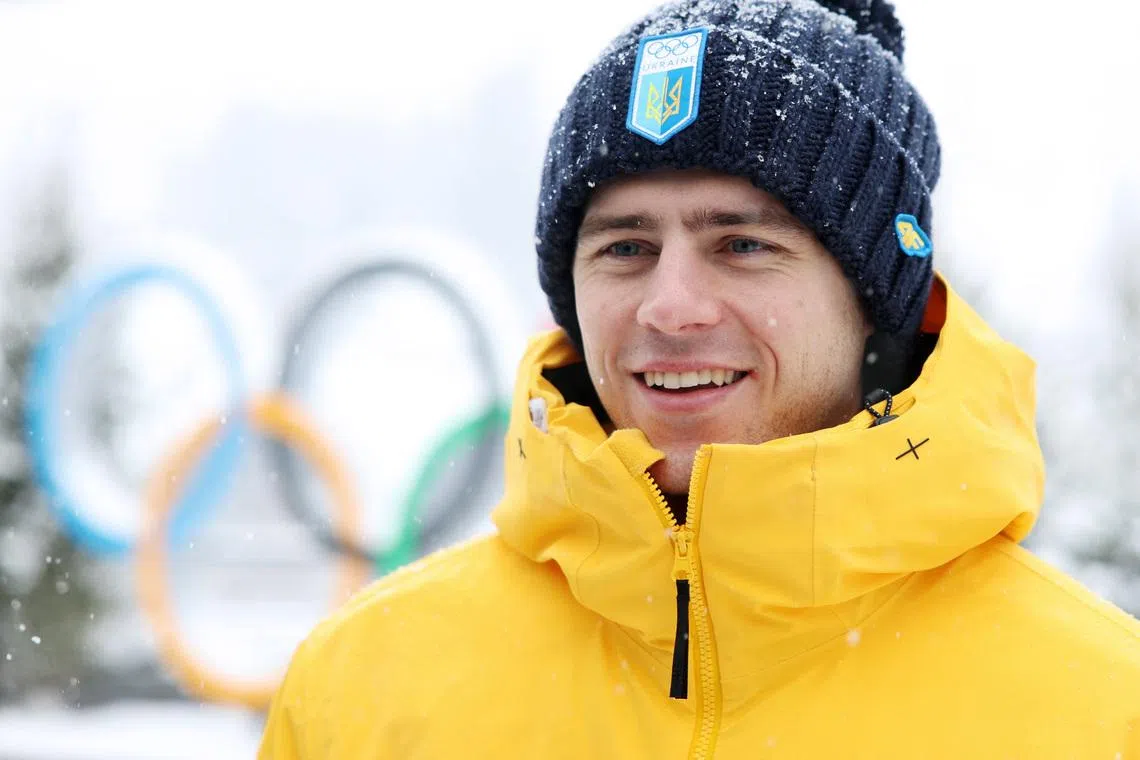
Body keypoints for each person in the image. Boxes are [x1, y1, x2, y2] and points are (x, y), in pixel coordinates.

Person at [259, 0, 1140, 756]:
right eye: (625, 248)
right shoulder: (364, 688)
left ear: (874, 299)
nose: (670, 307)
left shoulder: (1101, 711)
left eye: (743, 244)